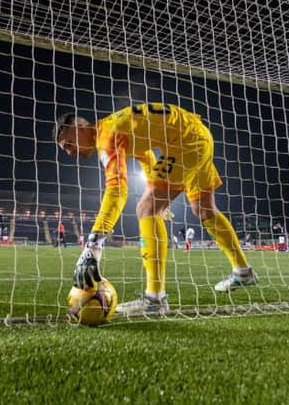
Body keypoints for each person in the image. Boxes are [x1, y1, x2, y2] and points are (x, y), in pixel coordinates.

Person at [55, 103, 257, 315]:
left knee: (146, 209)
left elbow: (117, 190)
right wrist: (162, 193)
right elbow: (146, 155)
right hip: (198, 135)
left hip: (185, 143)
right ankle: (243, 271)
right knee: (205, 209)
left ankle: (154, 299)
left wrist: (94, 244)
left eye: (68, 143)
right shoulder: (116, 125)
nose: (69, 151)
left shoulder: (107, 136)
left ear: (80, 127)